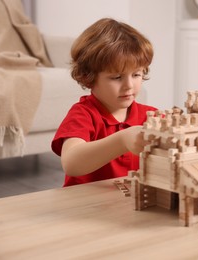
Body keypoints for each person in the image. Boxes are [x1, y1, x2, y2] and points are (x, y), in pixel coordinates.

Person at [51, 18, 157, 187]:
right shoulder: (83, 114)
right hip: (85, 206)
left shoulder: (151, 116)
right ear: (88, 78)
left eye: (136, 74)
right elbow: (71, 163)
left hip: (128, 205)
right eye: (116, 77)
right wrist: (122, 140)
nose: (129, 85)